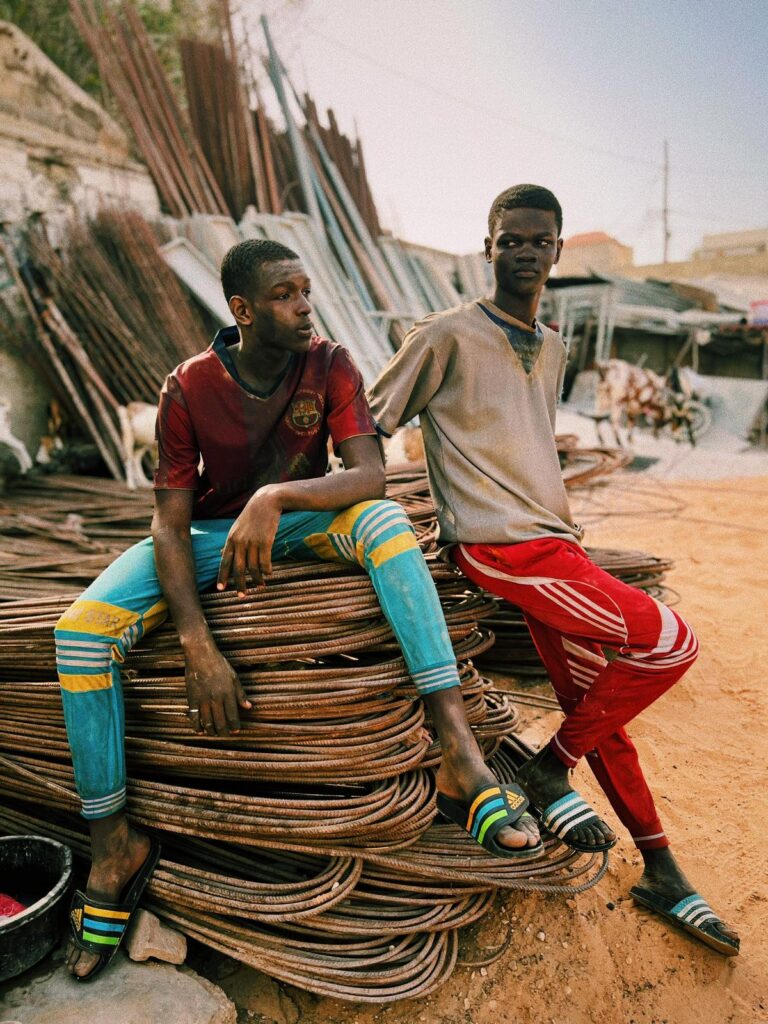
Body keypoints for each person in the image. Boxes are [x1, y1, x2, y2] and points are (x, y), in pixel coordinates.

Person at [55, 238, 542, 982]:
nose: (306, 305)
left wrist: (275, 494)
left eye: (307, 290)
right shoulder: (186, 387)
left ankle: (459, 753)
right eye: (287, 294)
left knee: (387, 528)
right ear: (243, 310)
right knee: (79, 636)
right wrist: (198, 644)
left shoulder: (331, 363)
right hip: (212, 536)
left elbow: (371, 476)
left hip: (306, 517)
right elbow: (169, 523)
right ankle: (114, 843)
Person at [367, 184, 739, 957]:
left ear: (558, 252)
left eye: (540, 241)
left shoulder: (558, 344)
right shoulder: (443, 335)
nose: (525, 252)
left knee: (597, 704)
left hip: (554, 546)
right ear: (488, 246)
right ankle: (546, 771)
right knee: (671, 643)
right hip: (498, 550)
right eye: (511, 240)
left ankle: (662, 867)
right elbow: (369, 425)